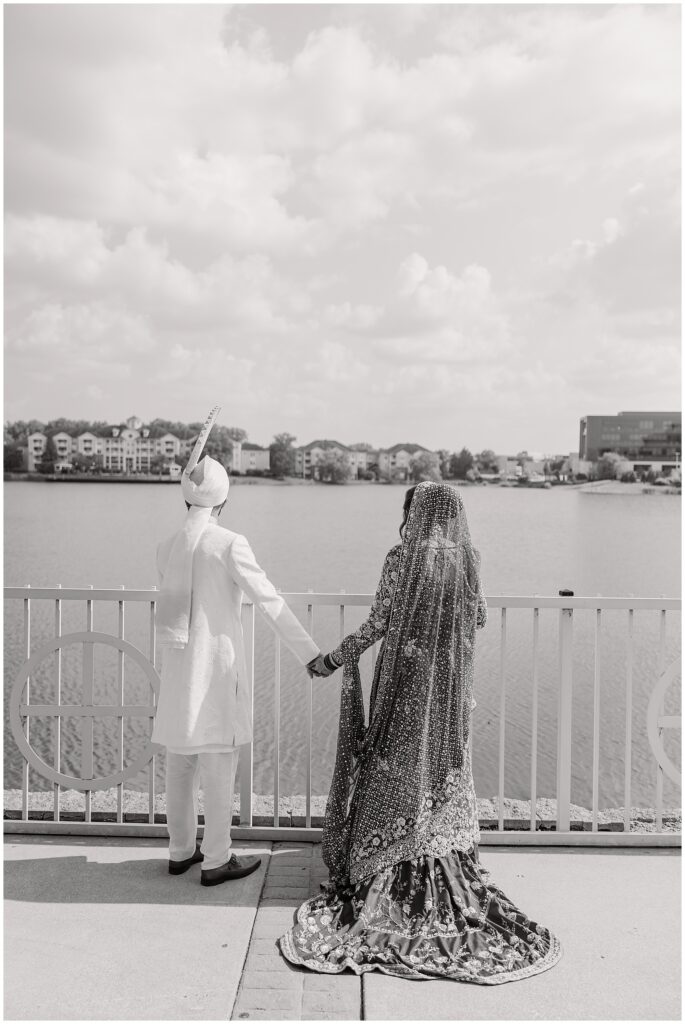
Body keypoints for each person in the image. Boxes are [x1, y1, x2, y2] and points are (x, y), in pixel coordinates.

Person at [280, 481, 561, 981]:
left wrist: (331, 659)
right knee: (438, 775)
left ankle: (388, 867)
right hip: (448, 693)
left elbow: (378, 624)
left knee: (394, 773)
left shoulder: (401, 557)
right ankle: (443, 862)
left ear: (416, 512)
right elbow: (477, 617)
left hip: (405, 687)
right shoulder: (468, 558)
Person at [153, 452, 325, 886]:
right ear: (223, 501)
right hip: (214, 670)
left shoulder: (168, 546)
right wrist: (309, 653)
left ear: (186, 499)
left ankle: (180, 852)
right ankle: (216, 859)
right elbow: (268, 600)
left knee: (179, 763)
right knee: (217, 765)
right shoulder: (228, 543)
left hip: (177, 667)